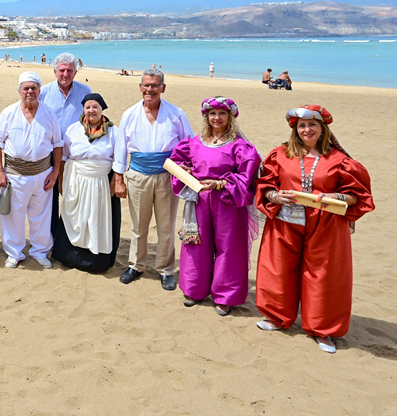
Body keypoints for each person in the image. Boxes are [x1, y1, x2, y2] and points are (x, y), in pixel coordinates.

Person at [254, 105, 374, 354]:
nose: (306, 130)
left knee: (324, 275)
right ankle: (277, 317)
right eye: (301, 126)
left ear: (323, 129)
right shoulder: (280, 154)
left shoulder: (339, 160)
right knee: (278, 269)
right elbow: (265, 185)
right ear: (295, 130)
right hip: (285, 222)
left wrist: (334, 195)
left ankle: (323, 329)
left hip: (326, 225)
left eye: (312, 125)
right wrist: (275, 196)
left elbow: (356, 196)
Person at [168, 97, 260, 316]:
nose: (216, 118)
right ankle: (194, 289)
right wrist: (185, 171)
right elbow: (177, 164)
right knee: (195, 243)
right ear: (206, 117)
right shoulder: (194, 142)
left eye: (222, 113)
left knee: (229, 248)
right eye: (212, 114)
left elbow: (247, 178)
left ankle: (224, 296)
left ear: (230, 117)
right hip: (198, 201)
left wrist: (220, 183)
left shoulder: (240, 146)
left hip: (228, 203)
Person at [113, 69, 193, 290]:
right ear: (140, 87)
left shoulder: (176, 114)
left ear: (163, 88)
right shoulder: (129, 114)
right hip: (138, 175)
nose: (150, 89)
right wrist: (119, 179)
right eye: (146, 85)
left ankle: (165, 269)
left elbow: (190, 145)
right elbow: (120, 149)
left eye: (155, 85)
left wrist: (187, 168)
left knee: (166, 226)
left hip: (168, 175)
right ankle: (136, 265)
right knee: (139, 225)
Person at [0, 72, 63, 269]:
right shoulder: (8, 113)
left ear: (40, 90)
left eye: (34, 88)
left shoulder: (49, 114)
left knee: (41, 215)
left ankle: (39, 251)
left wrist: (55, 172)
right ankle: (14, 253)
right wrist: (0, 172)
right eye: (26, 88)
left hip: (43, 174)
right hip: (15, 173)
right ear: (19, 91)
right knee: (13, 215)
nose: (30, 91)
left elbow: (57, 145)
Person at [53, 93, 124, 272]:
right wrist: (61, 182)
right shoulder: (73, 130)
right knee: (75, 217)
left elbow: (119, 160)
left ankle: (95, 261)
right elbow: (64, 157)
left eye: (95, 107)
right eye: (88, 107)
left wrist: (115, 184)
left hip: (102, 181)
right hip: (76, 179)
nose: (91, 110)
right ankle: (70, 257)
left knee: (97, 219)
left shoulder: (114, 132)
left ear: (102, 109)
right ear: (83, 110)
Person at [39, 53, 92, 236]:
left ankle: (70, 237)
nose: (65, 74)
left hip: (74, 156)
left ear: (75, 72)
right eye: (61, 70)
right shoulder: (44, 92)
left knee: (72, 197)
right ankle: (51, 235)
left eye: (69, 70)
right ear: (55, 72)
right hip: (49, 155)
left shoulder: (85, 92)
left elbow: (90, 121)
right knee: (50, 198)